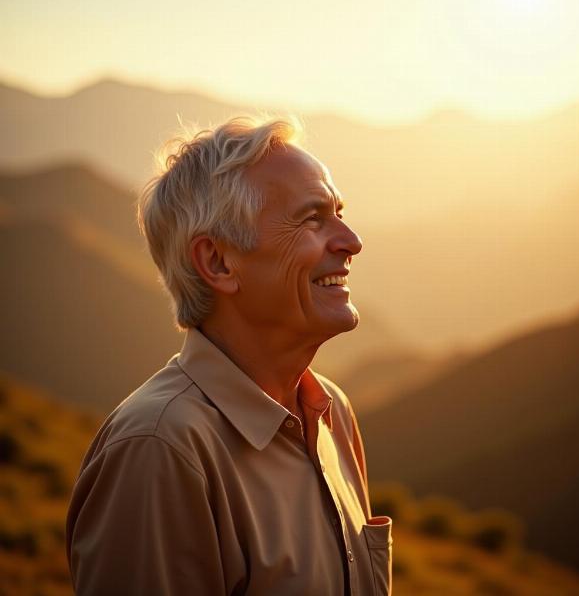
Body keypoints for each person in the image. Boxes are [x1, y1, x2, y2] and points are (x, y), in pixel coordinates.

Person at [66, 116, 392, 595]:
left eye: (339, 213)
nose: (351, 242)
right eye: (313, 219)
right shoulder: (159, 450)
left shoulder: (332, 414)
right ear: (218, 262)